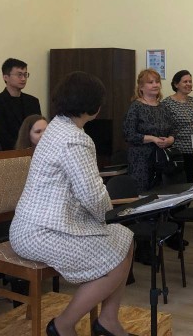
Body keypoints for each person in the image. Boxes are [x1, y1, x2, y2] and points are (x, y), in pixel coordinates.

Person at [9, 71, 134, 336]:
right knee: (115, 256)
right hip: (40, 232)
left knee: (125, 239)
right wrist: (109, 214)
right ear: (94, 106)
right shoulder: (74, 139)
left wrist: (106, 216)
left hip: (38, 225)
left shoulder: (58, 126)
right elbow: (92, 195)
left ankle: (108, 321)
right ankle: (63, 325)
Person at [123, 69, 177, 193]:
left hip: (162, 160)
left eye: (157, 82)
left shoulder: (164, 107)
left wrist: (170, 139)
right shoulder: (136, 107)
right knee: (144, 195)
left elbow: (174, 130)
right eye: (150, 82)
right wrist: (152, 139)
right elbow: (129, 134)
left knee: (163, 194)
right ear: (141, 87)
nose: (155, 85)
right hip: (141, 161)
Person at [0, 58, 41, 151]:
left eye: (25, 74)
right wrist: (22, 149)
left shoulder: (33, 101)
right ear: (5, 77)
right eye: (19, 75)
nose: (23, 78)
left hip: (34, 151)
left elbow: (39, 128)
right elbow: (0, 135)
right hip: (9, 153)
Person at [161, 70, 193, 183]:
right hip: (174, 153)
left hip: (191, 153)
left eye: (190, 81)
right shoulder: (166, 103)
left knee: (190, 185)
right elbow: (164, 129)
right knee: (176, 187)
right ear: (176, 84)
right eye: (185, 81)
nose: (188, 84)